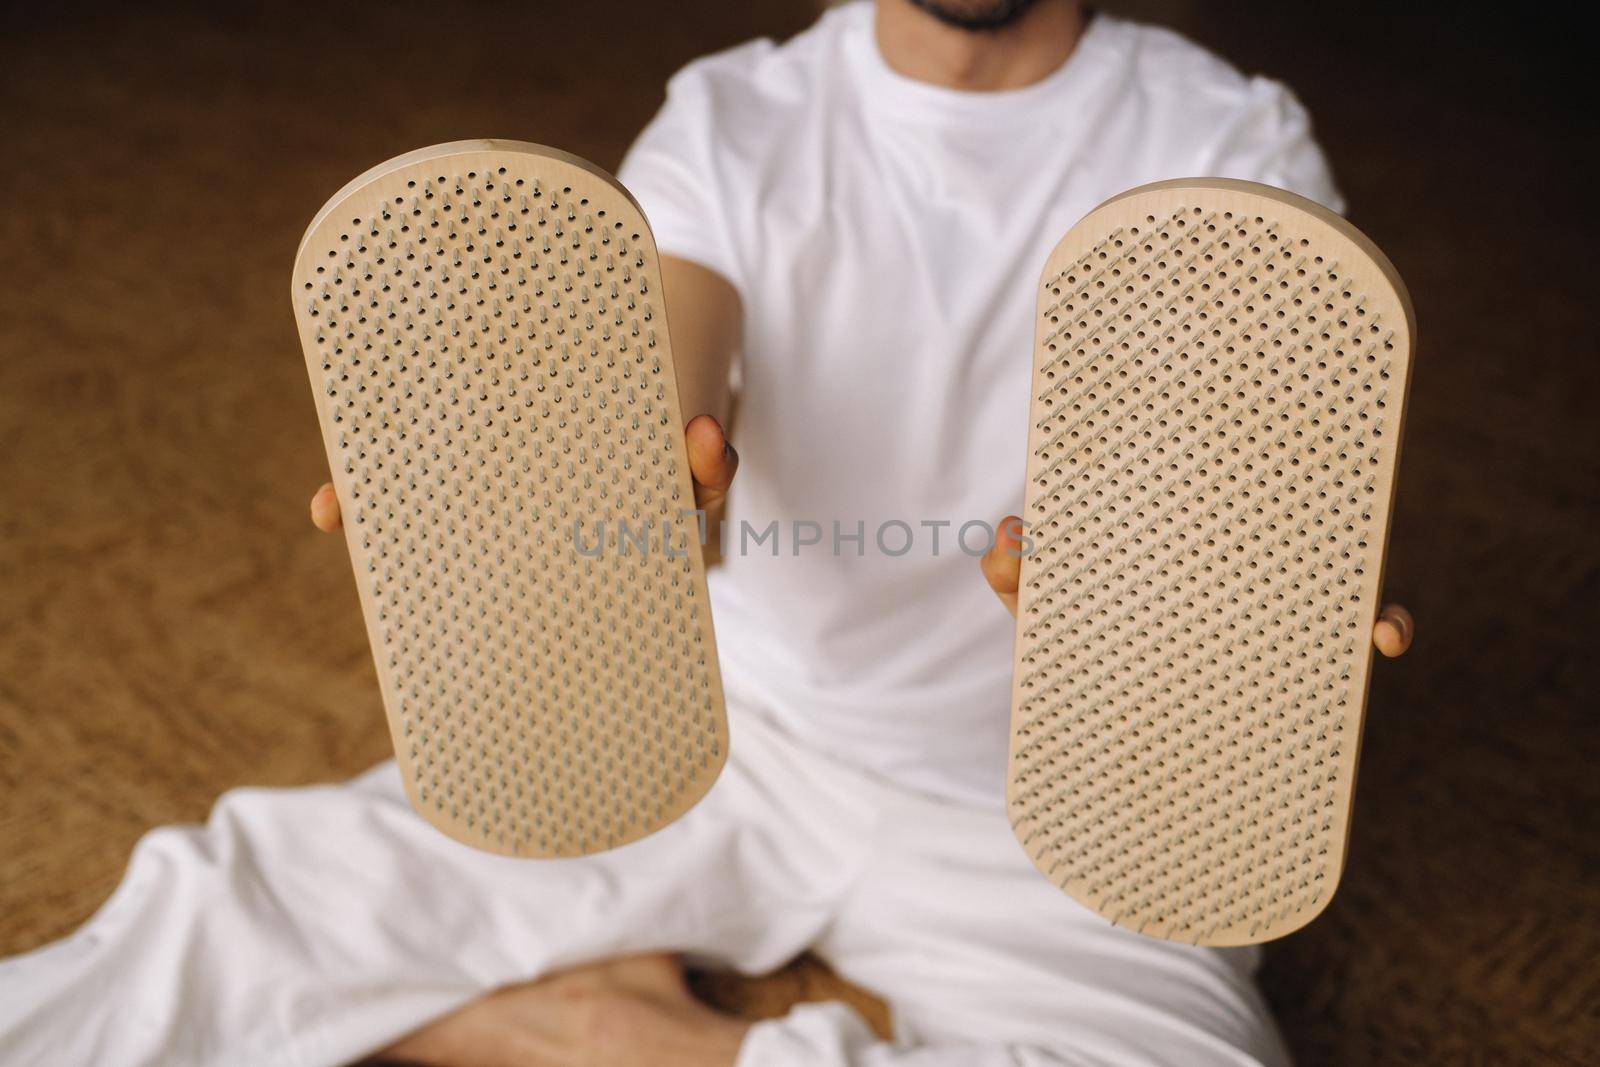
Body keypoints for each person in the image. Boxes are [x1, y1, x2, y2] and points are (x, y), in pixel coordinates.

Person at [0, 1, 1416, 1064]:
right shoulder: (737, 117)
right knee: (235, 911)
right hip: (737, 735)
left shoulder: (1226, 139)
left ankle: (624, 1042)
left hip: (1056, 803)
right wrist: (586, 476)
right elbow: (671, 344)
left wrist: (1244, 598)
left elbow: (1241, 457)